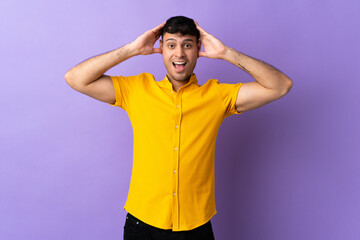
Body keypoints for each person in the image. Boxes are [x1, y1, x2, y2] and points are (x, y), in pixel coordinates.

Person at [65, 16, 292, 240]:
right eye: (171, 45)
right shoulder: (136, 90)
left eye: (187, 45)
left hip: (195, 227)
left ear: (198, 49)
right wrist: (131, 49)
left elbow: (280, 86)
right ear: (161, 48)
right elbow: (75, 79)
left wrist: (226, 53)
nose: (180, 53)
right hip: (141, 224)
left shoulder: (217, 96)